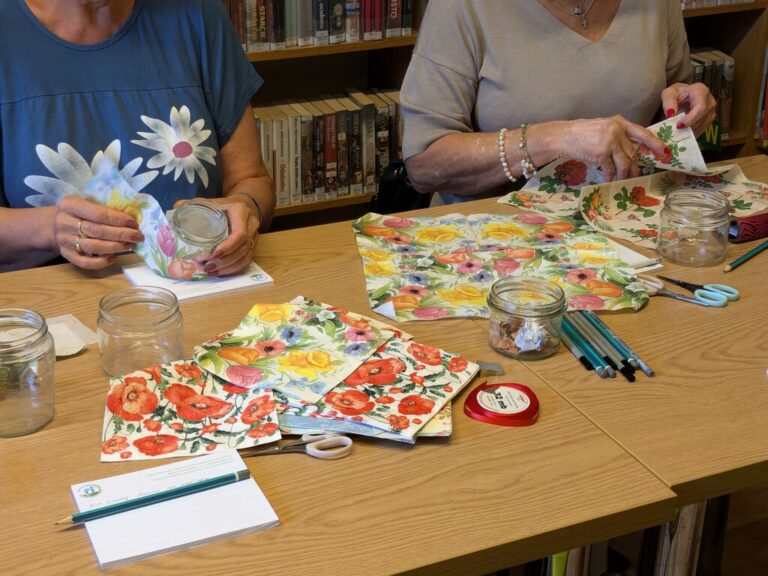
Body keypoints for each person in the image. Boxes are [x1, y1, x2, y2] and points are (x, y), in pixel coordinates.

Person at [0, 0, 275, 275]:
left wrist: (246, 208)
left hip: (199, 288)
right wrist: (50, 228)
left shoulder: (199, 16)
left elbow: (252, 180)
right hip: (53, 294)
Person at [400, 0, 718, 205]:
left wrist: (685, 111)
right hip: (498, 239)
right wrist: (553, 139)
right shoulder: (462, 7)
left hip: (625, 216)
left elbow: (666, 104)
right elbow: (424, 166)